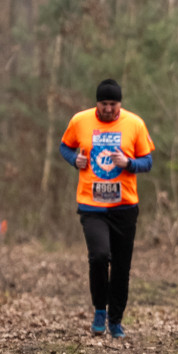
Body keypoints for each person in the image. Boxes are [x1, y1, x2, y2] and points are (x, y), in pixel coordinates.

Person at [59, 78, 155, 339]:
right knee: (100, 256)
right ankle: (100, 310)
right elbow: (64, 147)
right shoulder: (80, 121)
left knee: (122, 265)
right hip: (92, 205)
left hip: (124, 206)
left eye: (113, 104)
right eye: (104, 104)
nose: (109, 109)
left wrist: (129, 163)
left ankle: (115, 319)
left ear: (120, 103)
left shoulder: (134, 123)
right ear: (97, 103)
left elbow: (148, 161)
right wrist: (74, 159)